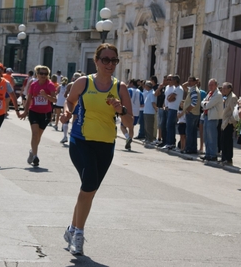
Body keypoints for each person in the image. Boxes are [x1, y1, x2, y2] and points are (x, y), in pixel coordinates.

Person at [60, 43, 133, 255]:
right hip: (81, 140)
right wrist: (66, 113)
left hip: (106, 143)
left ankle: (72, 229)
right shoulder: (84, 82)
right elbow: (70, 102)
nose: (110, 64)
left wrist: (121, 109)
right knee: (89, 183)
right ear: (96, 61)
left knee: (89, 190)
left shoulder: (120, 88)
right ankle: (79, 235)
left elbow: (129, 123)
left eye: (114, 60)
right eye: (106, 60)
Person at [22, 65, 57, 166]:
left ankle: (32, 151)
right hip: (34, 111)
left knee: (39, 136)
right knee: (35, 134)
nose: (43, 76)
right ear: (37, 74)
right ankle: (35, 156)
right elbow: (29, 99)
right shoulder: (33, 85)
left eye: (45, 74)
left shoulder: (50, 85)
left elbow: (54, 100)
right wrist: (25, 111)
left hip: (45, 113)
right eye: (41, 73)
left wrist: (46, 96)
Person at [200, 78, 223, 161]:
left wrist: (205, 104)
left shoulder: (218, 94)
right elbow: (202, 102)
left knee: (212, 137)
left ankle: (213, 154)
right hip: (206, 116)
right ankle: (208, 153)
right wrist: (205, 103)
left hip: (213, 117)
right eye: (209, 85)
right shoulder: (210, 93)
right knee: (206, 136)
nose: (210, 86)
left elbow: (208, 105)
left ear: (216, 85)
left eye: (212, 85)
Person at [120, 79, 144, 150]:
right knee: (131, 127)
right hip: (136, 112)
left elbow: (123, 99)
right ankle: (130, 139)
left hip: (128, 111)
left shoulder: (128, 90)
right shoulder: (140, 92)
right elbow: (142, 104)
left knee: (122, 126)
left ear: (131, 83)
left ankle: (127, 138)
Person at [60, 72, 82, 143]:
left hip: (72, 103)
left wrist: (69, 97)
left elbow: (65, 95)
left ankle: (65, 136)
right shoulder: (81, 85)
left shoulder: (71, 84)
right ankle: (70, 135)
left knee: (67, 118)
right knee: (74, 119)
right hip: (77, 104)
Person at [163, 74, 183, 149]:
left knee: (170, 126)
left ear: (175, 80)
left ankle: (170, 143)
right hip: (171, 108)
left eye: (172, 80)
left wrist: (170, 98)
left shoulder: (178, 89)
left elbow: (170, 98)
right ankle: (170, 142)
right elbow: (169, 98)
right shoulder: (176, 88)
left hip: (174, 109)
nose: (171, 81)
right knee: (169, 126)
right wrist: (170, 98)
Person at [220, 82, 238, 164]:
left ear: (229, 89)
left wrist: (230, 121)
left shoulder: (233, 98)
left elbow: (235, 112)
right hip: (224, 122)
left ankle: (228, 158)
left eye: (225, 88)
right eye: (222, 88)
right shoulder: (226, 97)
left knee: (228, 141)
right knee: (223, 141)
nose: (223, 90)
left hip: (228, 122)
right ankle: (223, 158)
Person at [182, 76, 200, 154]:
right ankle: (193, 148)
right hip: (195, 113)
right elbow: (183, 85)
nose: (189, 82)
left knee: (189, 132)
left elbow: (194, 102)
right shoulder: (192, 89)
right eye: (188, 81)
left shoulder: (193, 91)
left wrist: (187, 110)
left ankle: (189, 148)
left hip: (192, 113)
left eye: (191, 81)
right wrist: (191, 81)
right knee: (193, 132)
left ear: (195, 82)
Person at [143, 81, 157, 148]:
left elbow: (153, 103)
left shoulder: (152, 93)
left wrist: (156, 110)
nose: (144, 87)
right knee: (146, 126)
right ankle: (147, 138)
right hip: (146, 111)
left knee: (149, 127)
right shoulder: (148, 92)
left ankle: (150, 139)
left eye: (145, 85)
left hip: (150, 112)